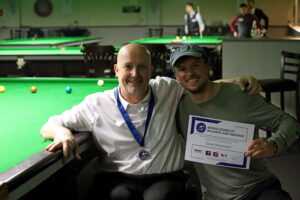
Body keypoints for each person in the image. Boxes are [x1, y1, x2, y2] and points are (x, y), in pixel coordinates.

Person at [40, 43, 260, 200]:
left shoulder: (167, 89)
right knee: (117, 197)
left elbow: (200, 84)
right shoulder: (96, 103)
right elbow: (49, 125)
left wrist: (235, 81)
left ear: (151, 70)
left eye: (142, 67)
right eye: (128, 67)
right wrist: (62, 133)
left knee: (160, 197)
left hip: (164, 178)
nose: (135, 74)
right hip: (117, 179)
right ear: (116, 70)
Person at [171, 44, 300, 200]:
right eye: (182, 69)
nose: (189, 73)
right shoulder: (177, 104)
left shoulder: (241, 96)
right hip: (214, 196)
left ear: (208, 66)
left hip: (256, 189)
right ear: (176, 75)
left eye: (196, 65)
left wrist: (273, 144)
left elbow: (289, 122)